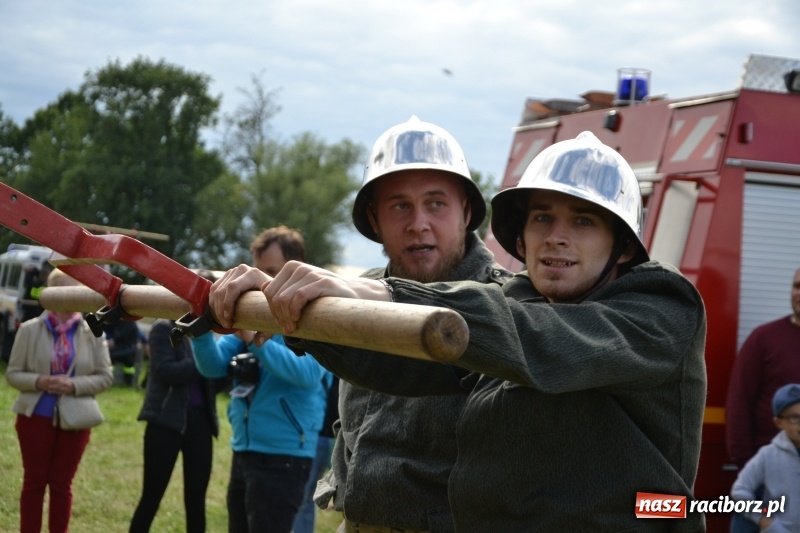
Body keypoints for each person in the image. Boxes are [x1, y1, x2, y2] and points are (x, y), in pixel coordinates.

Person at [210, 131, 708, 532]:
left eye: (582, 220)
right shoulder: (520, 302)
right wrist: (295, 310)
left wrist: (379, 295)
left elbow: (535, 335)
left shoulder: (661, 309)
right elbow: (406, 361)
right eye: (542, 217)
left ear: (622, 245)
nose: (556, 236)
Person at [215, 116, 511, 533]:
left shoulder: (508, 303)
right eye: (399, 206)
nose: (419, 223)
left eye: (436, 203)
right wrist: (270, 291)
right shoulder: (353, 294)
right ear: (374, 220)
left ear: (467, 211)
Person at [191, 225, 331, 533]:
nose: (259, 282)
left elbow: (308, 375)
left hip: (284, 457)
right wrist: (199, 327)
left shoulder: (315, 314)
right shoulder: (253, 310)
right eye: (257, 271)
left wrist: (257, 340)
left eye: (270, 271)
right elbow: (213, 366)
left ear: (295, 268)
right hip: (245, 450)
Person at [5, 268, 113, 533]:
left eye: (75, 291)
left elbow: (105, 377)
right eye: (63, 291)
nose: (69, 297)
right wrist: (39, 381)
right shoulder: (29, 329)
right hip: (35, 418)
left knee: (61, 485)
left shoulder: (93, 332)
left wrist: (74, 385)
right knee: (34, 482)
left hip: (76, 419)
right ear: (50, 294)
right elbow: (12, 374)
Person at [129, 316, 221, 533]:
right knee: (152, 496)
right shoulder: (163, 329)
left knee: (196, 500)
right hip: (165, 421)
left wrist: (225, 365)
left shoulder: (205, 333)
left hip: (200, 423)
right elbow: (165, 371)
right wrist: (204, 359)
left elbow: (215, 382)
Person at [726, 268, 800, 533]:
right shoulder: (764, 339)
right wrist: (748, 463)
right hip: (764, 476)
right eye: (797, 286)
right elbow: (738, 405)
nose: (799, 293)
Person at [731, 383, 800, 532]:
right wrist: (764, 521)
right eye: (793, 417)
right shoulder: (767, 455)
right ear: (778, 422)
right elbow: (740, 490)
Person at [292, 374, 339, 533]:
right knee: (305, 499)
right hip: (326, 437)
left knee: (302, 499)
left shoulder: (320, 366)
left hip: (318, 436)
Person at [102, 319, 143, 386]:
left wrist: (113, 341)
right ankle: (110, 379)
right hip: (122, 348)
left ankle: (127, 382)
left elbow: (121, 336)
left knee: (112, 356)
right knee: (110, 356)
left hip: (128, 349)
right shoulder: (119, 322)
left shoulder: (129, 323)